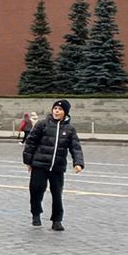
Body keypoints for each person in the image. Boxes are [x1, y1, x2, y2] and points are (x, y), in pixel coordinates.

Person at [23, 98, 84, 230]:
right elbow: (31, 143)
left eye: (60, 109)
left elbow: (75, 147)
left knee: (57, 194)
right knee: (36, 190)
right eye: (55, 108)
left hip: (57, 166)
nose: (57, 111)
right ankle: (36, 214)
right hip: (39, 164)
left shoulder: (70, 129)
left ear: (65, 113)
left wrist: (78, 163)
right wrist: (28, 161)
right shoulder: (42, 124)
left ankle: (57, 220)